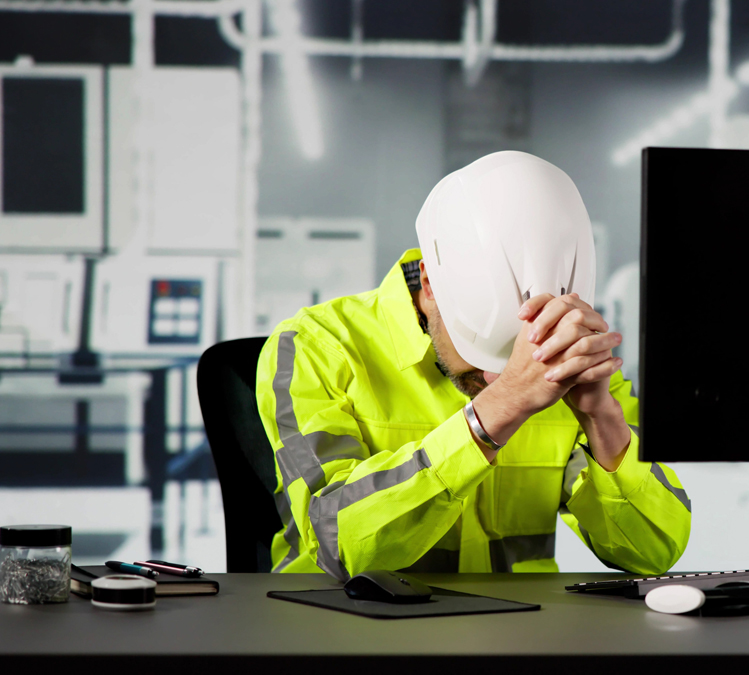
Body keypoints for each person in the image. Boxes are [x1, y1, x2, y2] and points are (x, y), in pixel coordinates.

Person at [255, 151, 691, 579]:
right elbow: (337, 544)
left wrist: (601, 419)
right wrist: (500, 409)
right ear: (429, 284)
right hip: (347, 633)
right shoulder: (318, 346)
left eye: (521, 355)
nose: (501, 375)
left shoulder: (567, 358)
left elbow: (653, 554)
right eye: (482, 350)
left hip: (516, 634)